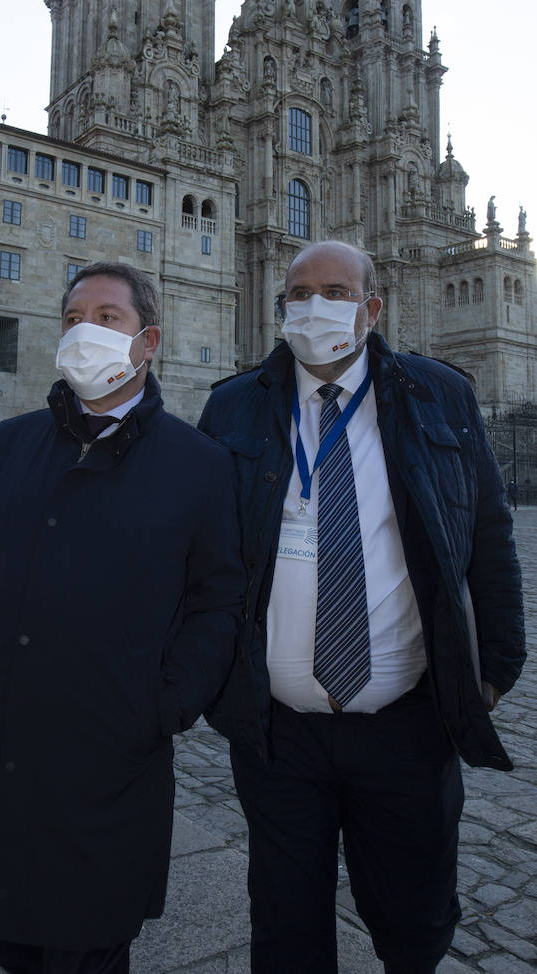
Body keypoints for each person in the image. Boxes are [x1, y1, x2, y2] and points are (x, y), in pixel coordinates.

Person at [199, 240, 525, 974]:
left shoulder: (440, 393)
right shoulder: (232, 405)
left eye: (337, 292)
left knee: (413, 917)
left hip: (407, 726)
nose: (317, 307)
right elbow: (201, 556)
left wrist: (494, 672)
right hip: (279, 738)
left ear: (372, 308)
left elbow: (489, 536)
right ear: (282, 308)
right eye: (300, 293)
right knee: (285, 925)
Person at [0, 261, 244, 974]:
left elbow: (217, 602)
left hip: (112, 756)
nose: (85, 333)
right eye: (74, 318)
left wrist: (166, 704)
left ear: (148, 341)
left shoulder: (199, 465)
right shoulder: (12, 441)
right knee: (0, 932)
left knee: (87, 943)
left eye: (107, 318)